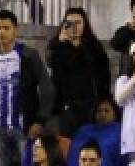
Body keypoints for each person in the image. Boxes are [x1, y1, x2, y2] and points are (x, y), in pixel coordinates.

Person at [0, 9, 54, 166]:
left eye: (6, 28)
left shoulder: (29, 55)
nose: (1, 32)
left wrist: (40, 120)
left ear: (15, 30)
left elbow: (47, 88)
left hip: (24, 127)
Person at [47, 7, 112, 138]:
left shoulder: (94, 47)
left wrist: (103, 100)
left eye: (78, 23)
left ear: (85, 24)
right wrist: (62, 44)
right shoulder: (57, 45)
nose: (74, 27)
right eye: (70, 23)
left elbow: (104, 76)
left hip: (91, 104)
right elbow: (53, 65)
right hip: (67, 106)